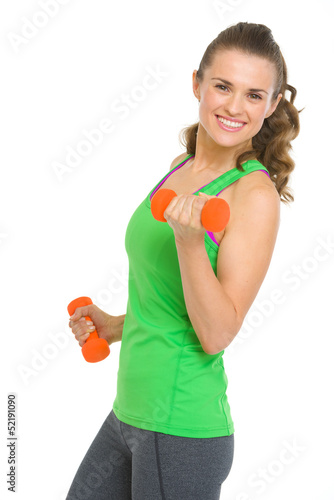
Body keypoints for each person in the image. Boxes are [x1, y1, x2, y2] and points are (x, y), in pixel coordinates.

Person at [65, 21, 302, 500]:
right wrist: (115, 326)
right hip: (128, 414)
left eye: (254, 95)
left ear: (272, 105)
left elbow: (216, 333)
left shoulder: (253, 195)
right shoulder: (181, 167)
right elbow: (174, 306)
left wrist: (191, 245)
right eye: (222, 86)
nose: (235, 107)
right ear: (197, 83)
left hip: (182, 430)